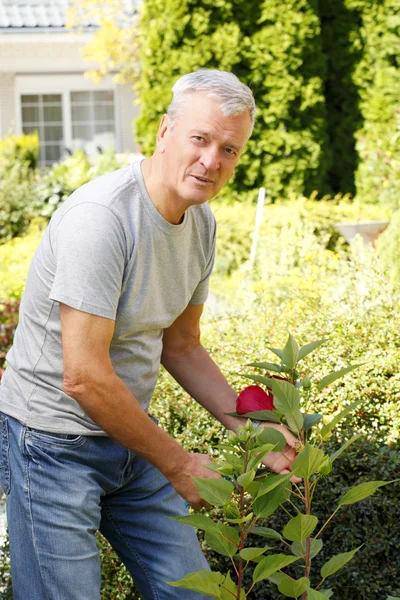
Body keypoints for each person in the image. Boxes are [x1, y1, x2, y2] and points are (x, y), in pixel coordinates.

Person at [0, 69, 298, 600]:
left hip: (128, 433)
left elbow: (181, 345)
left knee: (195, 592)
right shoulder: (102, 219)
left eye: (230, 149)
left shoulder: (199, 223)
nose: (212, 161)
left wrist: (253, 431)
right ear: (165, 131)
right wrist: (180, 464)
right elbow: (84, 377)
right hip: (50, 443)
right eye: (200, 139)